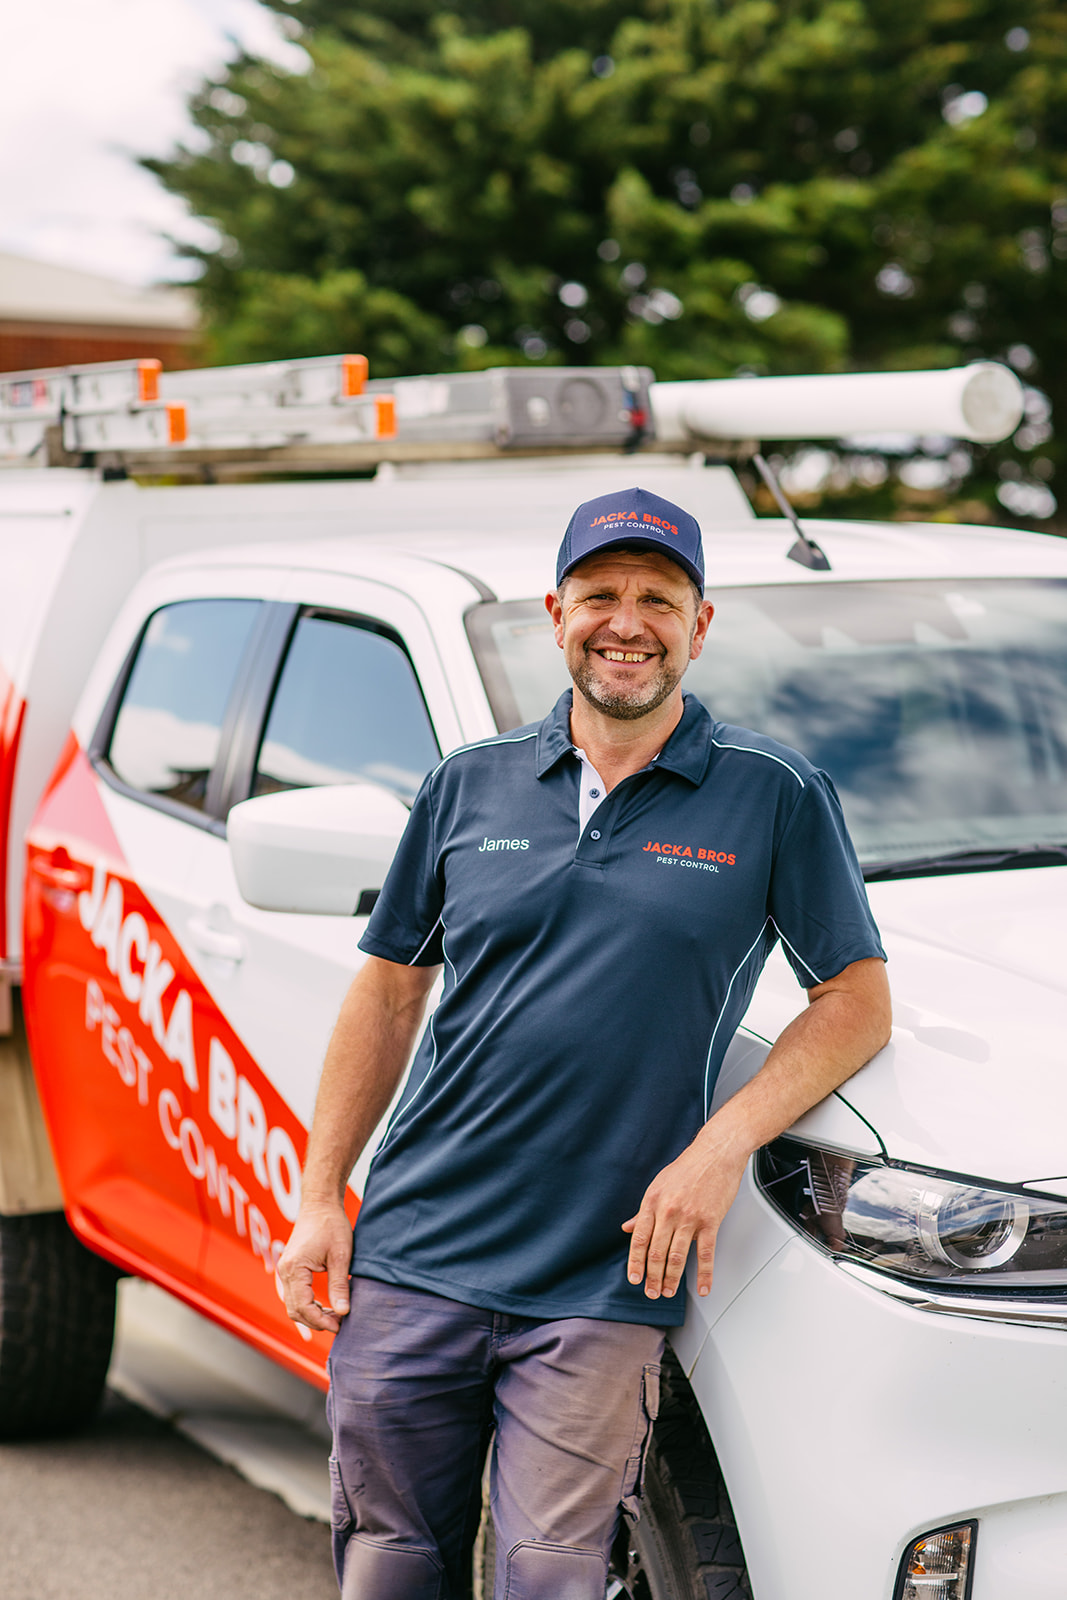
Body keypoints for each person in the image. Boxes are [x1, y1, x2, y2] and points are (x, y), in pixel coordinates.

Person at [278, 485, 891, 1600]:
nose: (627, 621)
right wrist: (323, 1195)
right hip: (417, 1249)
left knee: (551, 1576)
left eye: (658, 598)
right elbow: (388, 993)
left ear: (699, 626)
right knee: (389, 1565)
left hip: (602, 1273)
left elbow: (853, 1000)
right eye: (600, 593)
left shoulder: (771, 793)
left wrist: (715, 1151)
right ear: (555, 614)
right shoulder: (468, 783)